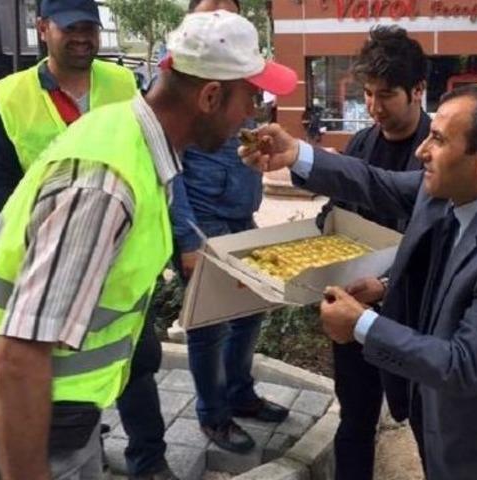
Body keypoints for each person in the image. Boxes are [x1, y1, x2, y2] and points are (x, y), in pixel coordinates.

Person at [0, 10, 297, 480]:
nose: (253, 113)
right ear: (210, 95)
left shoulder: (131, 136)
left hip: (60, 404)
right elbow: (17, 361)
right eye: (251, 98)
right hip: (12, 408)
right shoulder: (105, 185)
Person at [242, 85, 477, 479]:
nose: (421, 151)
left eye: (439, 140)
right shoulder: (457, 189)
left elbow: (464, 365)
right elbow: (378, 183)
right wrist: (296, 154)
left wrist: (361, 325)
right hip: (443, 423)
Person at [0, 1, 177, 477]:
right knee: (63, 379)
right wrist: (35, 252)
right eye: (71, 28)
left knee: (137, 362)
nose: (83, 37)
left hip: (118, 260)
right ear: (42, 28)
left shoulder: (123, 83)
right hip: (51, 263)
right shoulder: (12, 97)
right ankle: (87, 444)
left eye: (90, 27)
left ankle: (149, 460)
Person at [171, 0, 290, 455]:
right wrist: (187, 240)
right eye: (211, 9)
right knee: (209, 326)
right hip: (205, 224)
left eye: (230, 10)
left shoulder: (244, 67)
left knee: (250, 313)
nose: (221, 18)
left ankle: (240, 392)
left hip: (243, 218)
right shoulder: (186, 88)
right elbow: (171, 174)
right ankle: (213, 416)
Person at [311, 25, 430, 480]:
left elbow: (436, 243)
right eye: (368, 94)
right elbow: (338, 208)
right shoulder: (362, 143)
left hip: (409, 319)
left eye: (387, 95)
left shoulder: (437, 150)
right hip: (353, 309)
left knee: (422, 422)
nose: (375, 108)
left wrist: (385, 285)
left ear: (418, 90)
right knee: (355, 421)